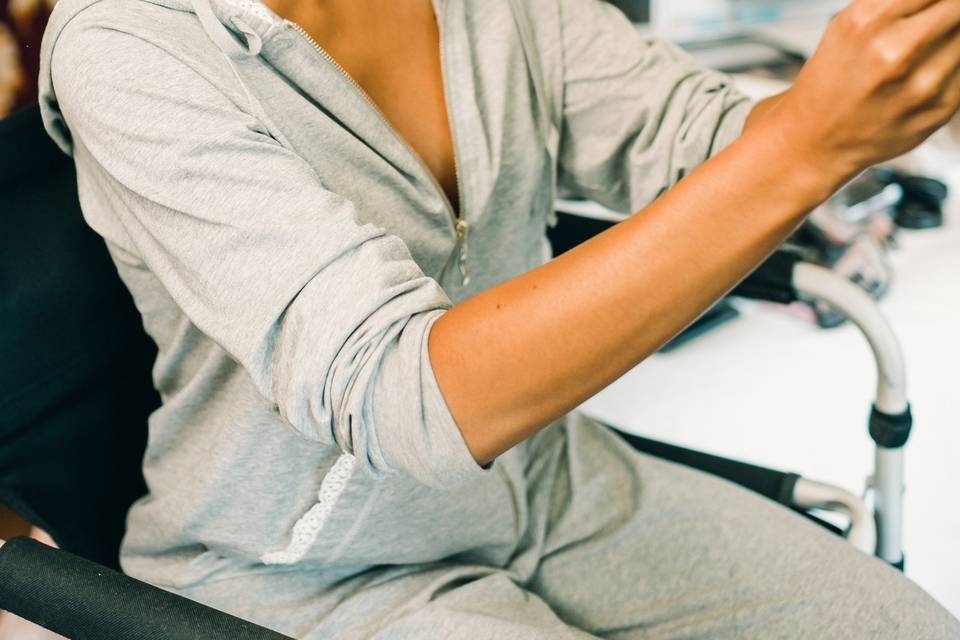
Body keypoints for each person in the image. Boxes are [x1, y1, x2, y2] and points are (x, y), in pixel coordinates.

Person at [37, 0, 960, 637]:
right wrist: (808, 145)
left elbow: (686, 136)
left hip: (548, 486)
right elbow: (397, 396)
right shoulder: (129, 43)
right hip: (311, 573)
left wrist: (885, 80)